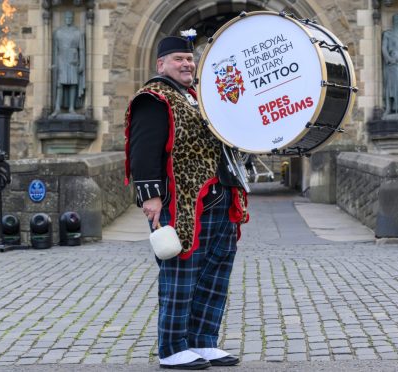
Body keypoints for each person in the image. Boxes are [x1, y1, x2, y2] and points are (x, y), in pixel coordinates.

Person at [124, 35, 248, 370]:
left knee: (214, 272)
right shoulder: (154, 98)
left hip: (221, 196)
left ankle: (203, 341)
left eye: (189, 59)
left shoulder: (198, 98)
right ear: (161, 64)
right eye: (178, 59)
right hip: (182, 203)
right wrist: (150, 198)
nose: (186, 64)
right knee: (181, 272)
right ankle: (172, 346)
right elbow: (143, 150)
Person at [50, 10, 85, 118]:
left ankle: (71, 108)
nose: (68, 19)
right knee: (60, 84)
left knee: (73, 84)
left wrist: (82, 64)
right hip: (61, 60)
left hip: (73, 60)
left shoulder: (77, 32)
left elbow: (82, 49)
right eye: (67, 17)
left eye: (70, 17)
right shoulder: (59, 32)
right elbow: (55, 50)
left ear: (72, 18)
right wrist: (54, 63)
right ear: (64, 18)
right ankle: (57, 107)